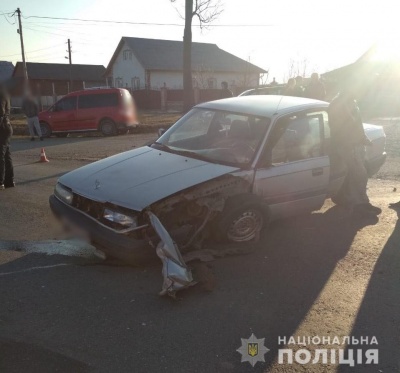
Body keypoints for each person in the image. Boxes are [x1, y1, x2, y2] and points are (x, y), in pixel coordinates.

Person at [329, 86, 381, 216]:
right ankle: (360, 205)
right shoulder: (340, 104)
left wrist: (363, 138)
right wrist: (353, 141)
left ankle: (356, 202)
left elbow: (356, 124)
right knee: (359, 175)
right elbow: (344, 127)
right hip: (348, 145)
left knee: (356, 175)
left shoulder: (349, 102)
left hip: (354, 144)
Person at [0, 84, 14, 190]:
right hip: (7, 126)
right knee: (6, 155)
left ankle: (0, 182)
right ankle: (9, 181)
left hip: (2, 127)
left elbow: (1, 112)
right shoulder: (5, 93)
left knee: (1, 154)